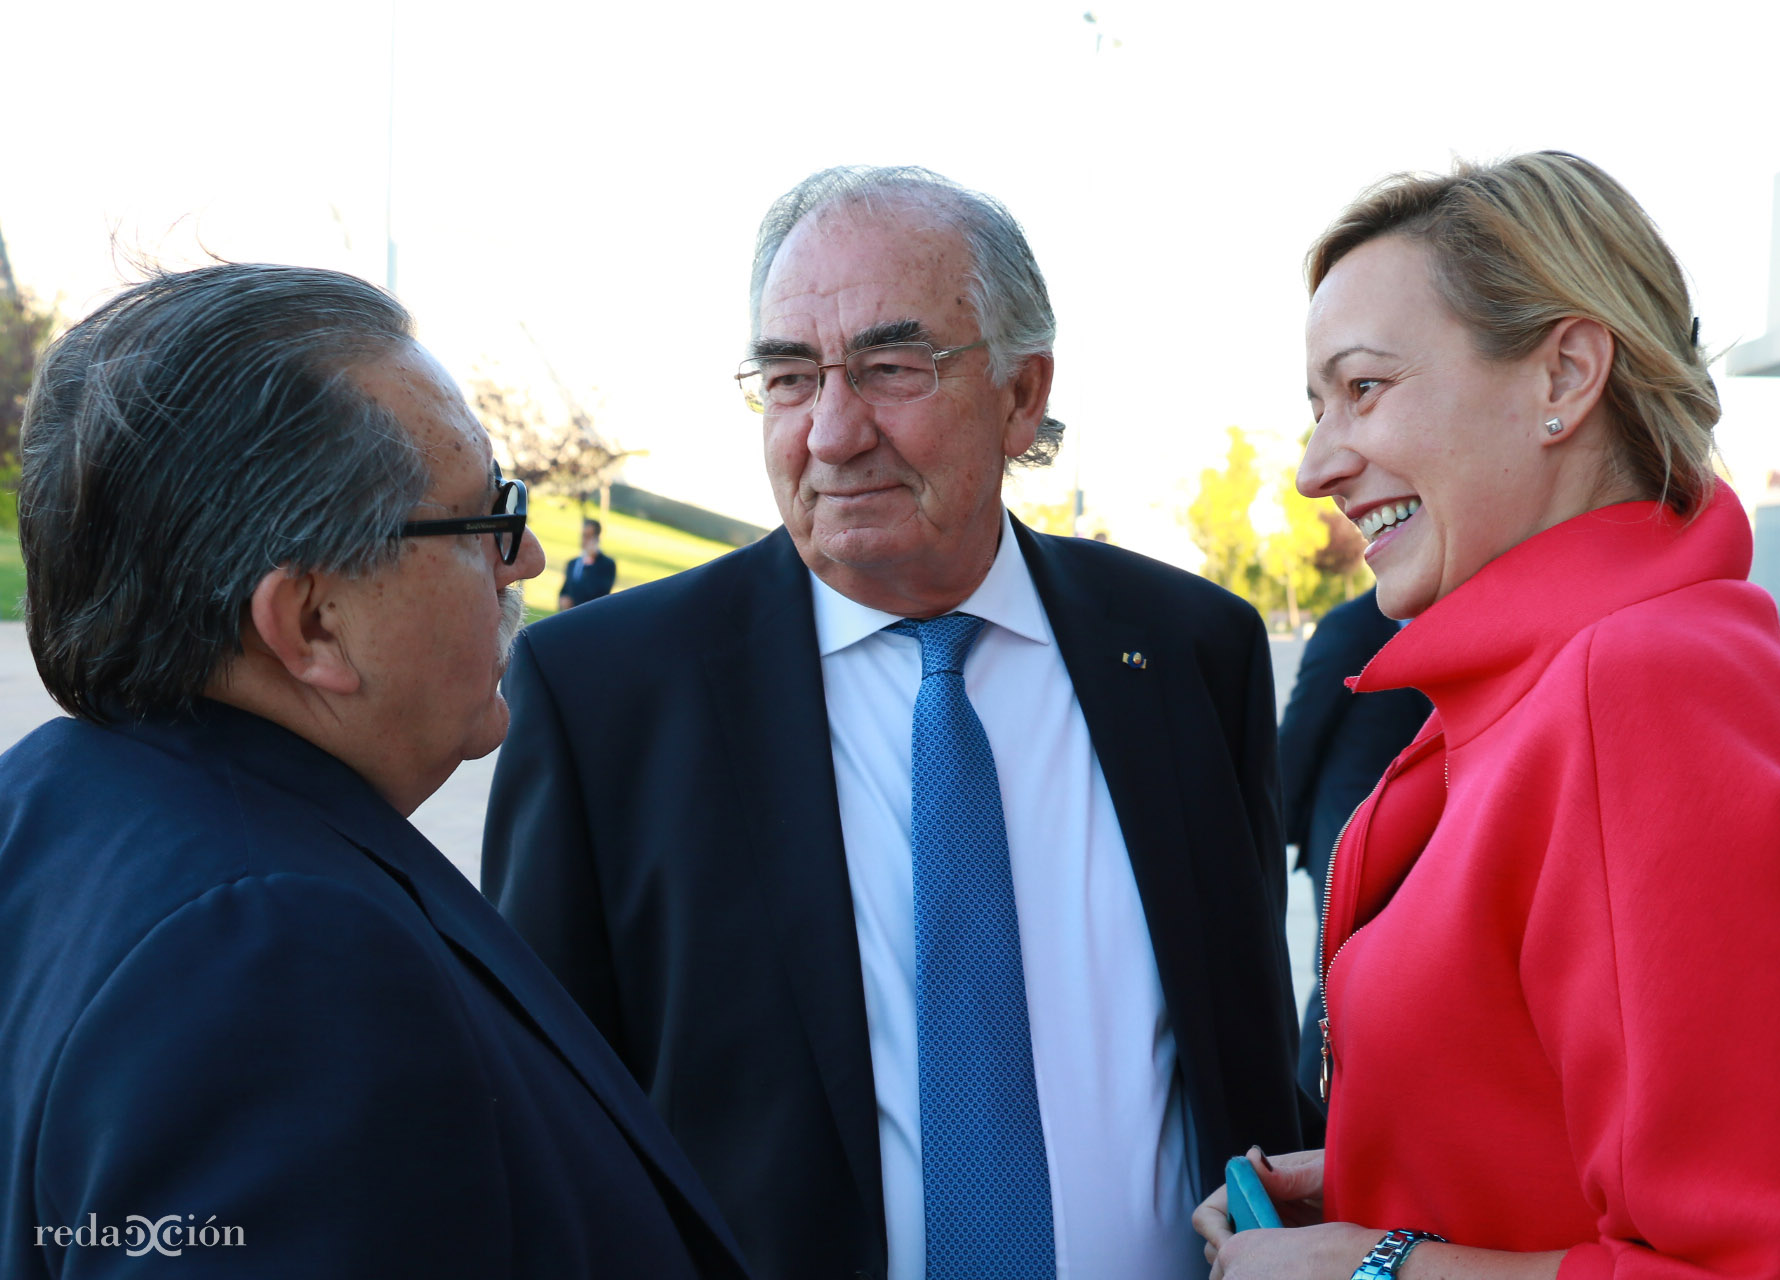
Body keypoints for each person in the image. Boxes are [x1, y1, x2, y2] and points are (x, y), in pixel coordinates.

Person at [485, 165, 1312, 1280]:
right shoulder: (606, 696)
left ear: (1023, 393)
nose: (832, 430)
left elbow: (1243, 1042)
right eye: (788, 376)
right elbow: (543, 1129)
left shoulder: (1184, 649)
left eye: (891, 365)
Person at [1194, 152, 1780, 1278]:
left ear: (1565, 376)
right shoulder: (1594, 674)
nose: (1314, 466)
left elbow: (1770, 1262)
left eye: (1365, 388)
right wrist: (1388, 1166)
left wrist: (1368, 1266)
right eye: (1316, 404)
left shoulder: (1631, 689)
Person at [0, 264, 747, 1279]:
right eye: (486, 517)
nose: (523, 558)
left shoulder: (50, 798)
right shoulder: (281, 959)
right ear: (314, 622)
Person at [1275, 588, 1430, 1097]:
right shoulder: (1349, 627)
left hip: (1425, 841)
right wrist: (1283, 835)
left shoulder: (1463, 610)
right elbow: (1299, 738)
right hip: (1348, 839)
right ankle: (1311, 1109)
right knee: (1340, 981)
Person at [558, 518, 618, 609]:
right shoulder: (572, 563)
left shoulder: (607, 564)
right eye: (583, 535)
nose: (584, 540)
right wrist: (563, 599)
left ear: (597, 538)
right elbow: (565, 589)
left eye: (588, 536)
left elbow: (600, 592)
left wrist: (589, 564)